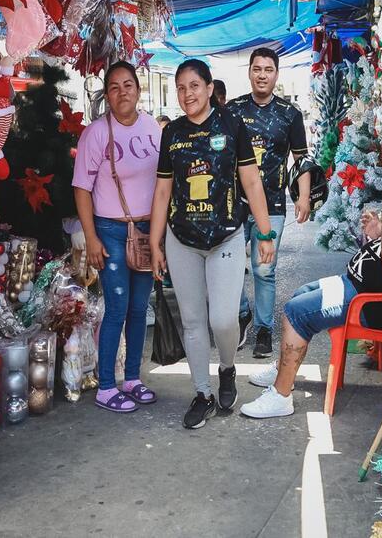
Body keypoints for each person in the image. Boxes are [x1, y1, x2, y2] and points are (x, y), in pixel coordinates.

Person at [240, 153, 382, 419]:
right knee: (300, 294)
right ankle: (284, 367)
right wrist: (380, 232)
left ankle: (281, 395)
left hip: (368, 303)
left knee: (295, 312)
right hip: (357, 287)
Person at [149, 59, 276, 429]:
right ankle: (202, 392)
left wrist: (265, 233)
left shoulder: (232, 125)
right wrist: (156, 243)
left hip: (226, 236)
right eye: (181, 87)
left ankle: (227, 368)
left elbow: (252, 183)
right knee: (192, 321)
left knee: (222, 319)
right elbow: (161, 192)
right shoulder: (171, 132)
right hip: (182, 239)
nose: (188, 94)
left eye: (194, 86)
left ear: (208, 88)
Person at [73, 61, 162, 413]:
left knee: (140, 309)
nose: (122, 92)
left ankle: (133, 379)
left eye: (128, 85)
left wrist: (160, 236)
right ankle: (106, 386)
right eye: (114, 86)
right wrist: (91, 238)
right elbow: (81, 189)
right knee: (117, 309)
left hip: (145, 231)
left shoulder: (153, 128)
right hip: (109, 231)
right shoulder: (95, 134)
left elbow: (163, 181)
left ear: (138, 90)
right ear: (106, 95)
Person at [226, 47, 310, 359]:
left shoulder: (290, 114)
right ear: (249, 72)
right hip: (235, 205)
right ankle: (242, 313)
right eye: (257, 69)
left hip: (273, 204)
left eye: (268, 69)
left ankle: (263, 328)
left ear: (276, 74)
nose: (262, 75)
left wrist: (303, 196)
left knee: (264, 269)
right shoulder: (232, 111)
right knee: (230, 266)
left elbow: (301, 159)